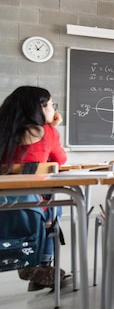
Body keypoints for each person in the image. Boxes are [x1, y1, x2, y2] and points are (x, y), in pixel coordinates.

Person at [0, 86, 68, 291]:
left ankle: (36, 265)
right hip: (34, 205)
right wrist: (53, 128)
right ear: (40, 107)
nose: (53, 108)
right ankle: (42, 264)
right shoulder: (47, 133)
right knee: (55, 207)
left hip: (3, 204)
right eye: (51, 105)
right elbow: (61, 160)